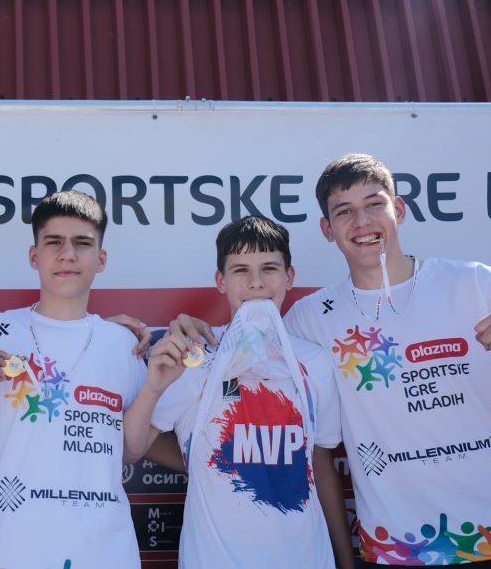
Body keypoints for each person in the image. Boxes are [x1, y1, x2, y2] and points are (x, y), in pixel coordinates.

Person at [174, 154, 491, 566]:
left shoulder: (472, 282)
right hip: (398, 550)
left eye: (374, 204)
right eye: (344, 212)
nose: (362, 221)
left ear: (398, 209)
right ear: (327, 229)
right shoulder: (309, 320)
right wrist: (189, 330)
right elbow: (244, 344)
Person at [123, 215, 354, 569]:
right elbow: (134, 446)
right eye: (241, 270)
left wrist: (346, 562)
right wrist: (201, 455)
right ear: (221, 280)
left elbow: (320, 463)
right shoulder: (194, 358)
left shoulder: (315, 361)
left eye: (269, 268)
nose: (256, 282)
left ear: (290, 276)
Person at [0, 190, 147, 568]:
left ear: (101, 259)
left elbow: (133, 449)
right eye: (54, 242)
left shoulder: (124, 346)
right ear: (34, 256)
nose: (67, 254)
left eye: (81, 243)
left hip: (103, 553)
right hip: (9, 551)